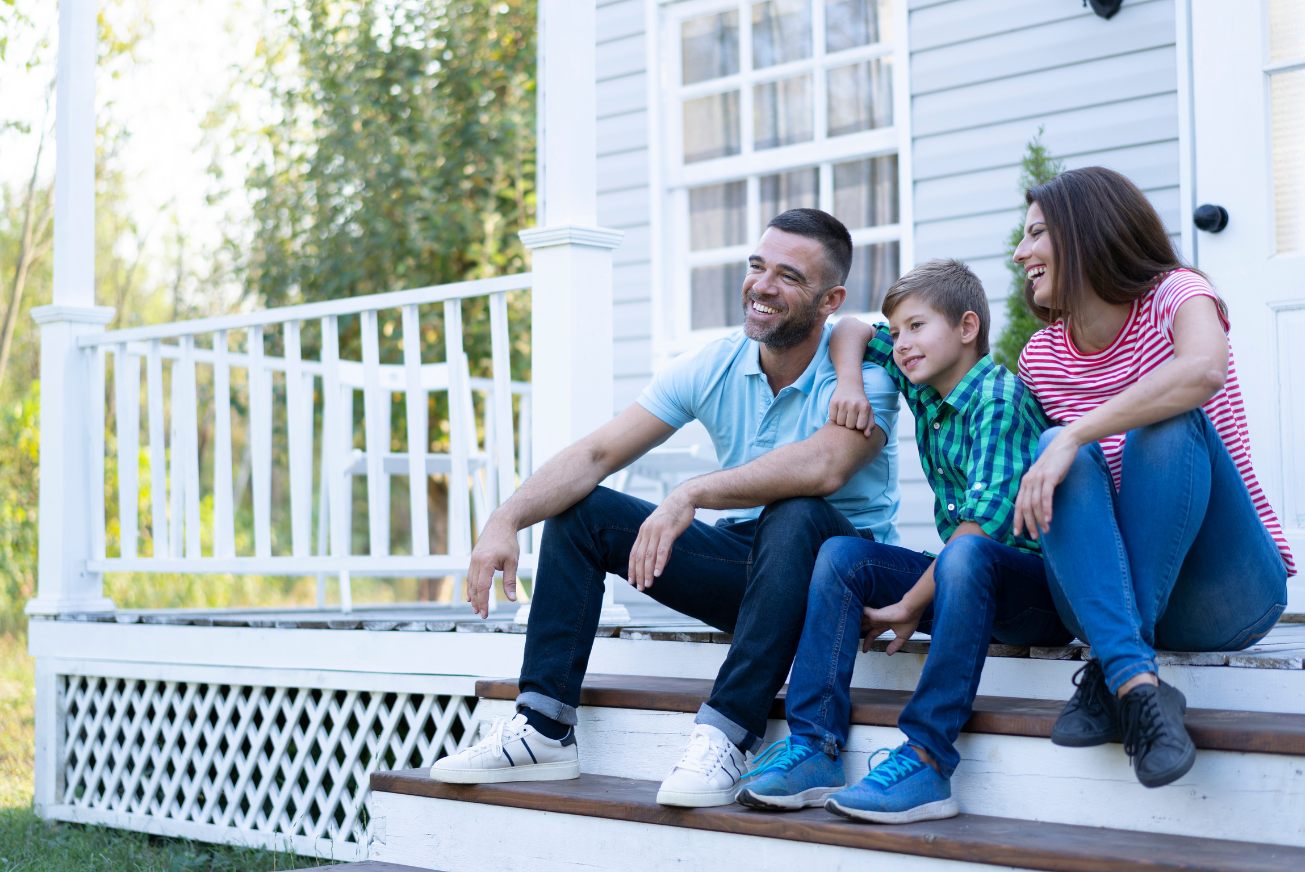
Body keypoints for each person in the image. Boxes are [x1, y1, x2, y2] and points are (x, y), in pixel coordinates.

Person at [428, 208, 903, 807]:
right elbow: (599, 452)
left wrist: (692, 492)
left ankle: (726, 736)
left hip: (841, 582)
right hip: (753, 571)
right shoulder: (716, 363)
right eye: (757, 267)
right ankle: (544, 729)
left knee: (796, 511)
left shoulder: (864, 373)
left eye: (789, 276)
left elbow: (825, 467)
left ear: (830, 299)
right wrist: (504, 520)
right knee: (584, 511)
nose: (762, 286)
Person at [735, 259, 1070, 823]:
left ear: (967, 329)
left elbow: (981, 530)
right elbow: (853, 329)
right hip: (962, 579)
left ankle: (927, 760)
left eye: (918, 326)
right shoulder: (928, 388)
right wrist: (848, 384)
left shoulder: (998, 400)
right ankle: (815, 747)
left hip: (1033, 592)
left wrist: (911, 602)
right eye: (902, 329)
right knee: (842, 556)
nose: (904, 343)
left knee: (964, 552)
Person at [1011, 166, 1294, 788]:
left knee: (1162, 424)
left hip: (1223, 592)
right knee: (1057, 445)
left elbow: (1201, 372)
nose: (1020, 252)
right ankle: (1137, 684)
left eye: (1036, 233)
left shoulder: (1178, 293)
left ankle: (1111, 668)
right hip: (1101, 597)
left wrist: (1081, 432)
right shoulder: (1042, 357)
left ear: (1086, 231)